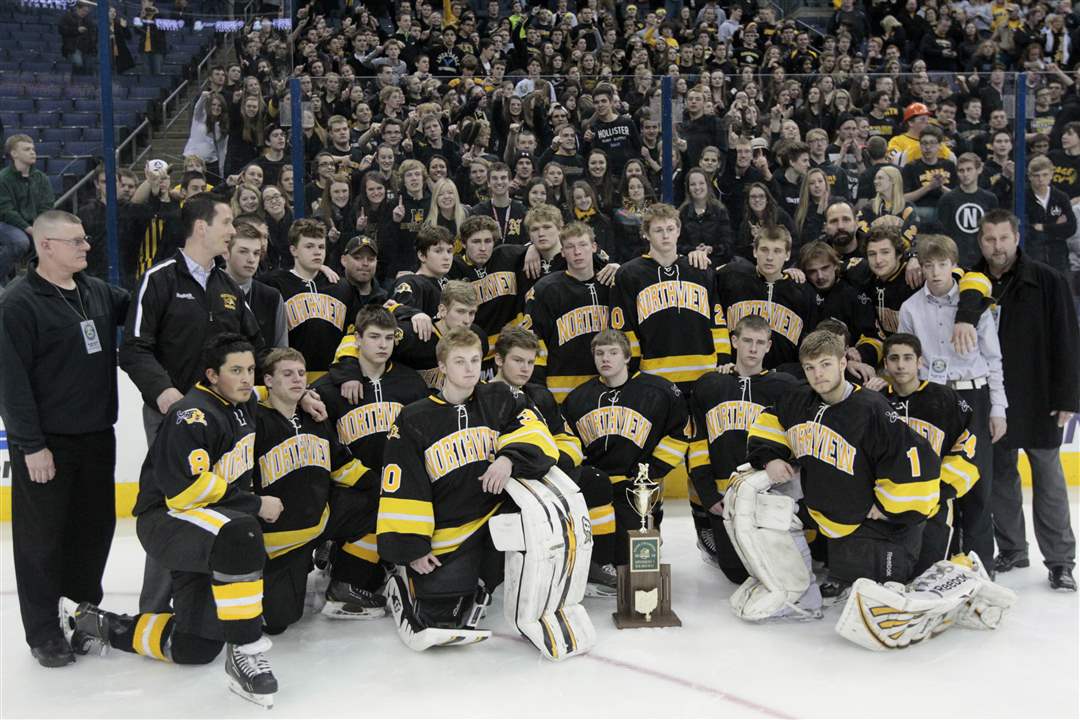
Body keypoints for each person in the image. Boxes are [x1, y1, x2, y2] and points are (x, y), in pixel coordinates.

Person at [61, 335, 282, 708]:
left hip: (203, 523)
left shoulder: (243, 404)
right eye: (236, 370)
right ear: (212, 375)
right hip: (167, 520)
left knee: (195, 646)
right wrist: (256, 504)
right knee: (243, 532)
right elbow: (184, 493)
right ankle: (245, 652)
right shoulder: (191, 415)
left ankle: (94, 623)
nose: (247, 378)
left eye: (250, 369)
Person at [120, 194, 263, 614]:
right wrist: (165, 393)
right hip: (172, 419)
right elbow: (134, 348)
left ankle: (204, 608)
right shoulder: (159, 278)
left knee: (223, 504)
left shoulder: (227, 286)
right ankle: (155, 610)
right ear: (202, 227)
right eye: (227, 222)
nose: (232, 230)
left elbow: (254, 344)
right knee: (173, 510)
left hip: (224, 422)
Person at [0, 211, 129, 667]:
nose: (86, 247)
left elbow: (145, 307)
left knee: (93, 533)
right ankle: (43, 633)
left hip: (97, 437)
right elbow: (11, 383)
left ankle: (81, 616)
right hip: (47, 444)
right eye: (75, 241)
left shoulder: (96, 291)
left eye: (85, 239)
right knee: (41, 542)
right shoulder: (18, 303)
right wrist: (31, 445)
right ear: (45, 245)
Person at [376, 327, 558, 640]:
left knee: (528, 523)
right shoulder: (414, 417)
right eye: (460, 362)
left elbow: (537, 433)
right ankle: (408, 577)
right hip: (449, 532)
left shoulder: (499, 398)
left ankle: (485, 580)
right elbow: (404, 486)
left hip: (493, 518)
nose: (470, 369)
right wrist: (413, 548)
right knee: (441, 618)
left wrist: (509, 458)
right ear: (443, 366)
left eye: (475, 360)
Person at [747, 330, 942, 596]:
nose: (818, 374)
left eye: (825, 364)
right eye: (810, 367)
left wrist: (889, 506)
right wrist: (770, 457)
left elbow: (916, 457)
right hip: (827, 517)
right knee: (762, 510)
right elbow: (769, 421)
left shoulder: (871, 408)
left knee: (879, 594)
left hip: (872, 524)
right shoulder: (798, 398)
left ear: (842, 363)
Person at [974, 210, 1078, 591]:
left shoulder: (1048, 280)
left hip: (1040, 397)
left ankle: (1061, 561)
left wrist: (1068, 396)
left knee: (1048, 479)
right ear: (980, 242)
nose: (997, 246)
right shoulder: (970, 280)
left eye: (1004, 238)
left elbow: (1067, 339)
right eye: (990, 239)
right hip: (993, 400)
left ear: (1017, 238)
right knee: (1001, 476)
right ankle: (1013, 549)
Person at [897, 234, 1006, 568]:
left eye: (942, 264)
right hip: (934, 400)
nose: (935, 272)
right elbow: (908, 362)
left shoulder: (974, 306)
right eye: (928, 265)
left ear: (954, 265)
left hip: (974, 394)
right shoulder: (911, 308)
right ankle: (939, 562)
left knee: (978, 484)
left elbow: (993, 359)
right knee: (939, 482)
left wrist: (998, 409)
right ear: (921, 267)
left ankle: (979, 564)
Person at [252, 347, 378, 630]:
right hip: (280, 542)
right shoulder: (253, 420)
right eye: (287, 374)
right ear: (268, 380)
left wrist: (383, 486)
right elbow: (232, 396)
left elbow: (340, 465)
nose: (297, 379)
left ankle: (345, 580)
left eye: (301, 373)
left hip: (321, 519)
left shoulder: (314, 417)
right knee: (279, 622)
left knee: (378, 501)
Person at [490, 326, 617, 596]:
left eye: (530, 362)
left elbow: (567, 440)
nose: (525, 369)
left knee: (597, 482)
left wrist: (552, 466)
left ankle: (595, 562)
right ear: (499, 359)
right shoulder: (483, 397)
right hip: (509, 481)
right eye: (517, 360)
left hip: (547, 471)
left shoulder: (540, 395)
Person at [562, 329, 689, 565]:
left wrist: (650, 471)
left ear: (627, 357)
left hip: (635, 487)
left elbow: (680, 433)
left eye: (613, 353)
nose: (605, 358)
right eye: (600, 353)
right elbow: (569, 441)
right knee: (597, 557)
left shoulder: (658, 391)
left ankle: (652, 522)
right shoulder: (578, 398)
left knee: (630, 560)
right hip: (596, 487)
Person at [687, 316, 799, 580]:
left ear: (769, 346)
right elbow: (697, 444)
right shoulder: (709, 385)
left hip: (769, 491)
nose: (753, 348)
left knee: (776, 570)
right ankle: (710, 540)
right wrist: (708, 494)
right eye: (747, 341)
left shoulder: (785, 387)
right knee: (736, 573)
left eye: (760, 342)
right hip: (725, 493)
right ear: (734, 341)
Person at [871, 334, 983, 574]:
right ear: (886, 364)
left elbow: (969, 444)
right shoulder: (877, 401)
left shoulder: (945, 398)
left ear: (919, 361)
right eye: (894, 358)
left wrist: (940, 491)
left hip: (934, 507)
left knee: (929, 574)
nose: (901, 365)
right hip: (887, 506)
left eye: (907, 358)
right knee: (892, 576)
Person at [610, 202, 730, 388]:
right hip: (653, 376)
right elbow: (625, 328)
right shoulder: (629, 274)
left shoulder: (699, 269)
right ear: (646, 234)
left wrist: (723, 360)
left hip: (704, 373)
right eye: (658, 230)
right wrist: (631, 370)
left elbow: (717, 320)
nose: (665, 235)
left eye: (670, 229)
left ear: (678, 231)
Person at [524, 222, 611, 402]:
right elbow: (533, 341)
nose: (577, 252)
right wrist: (538, 390)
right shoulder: (546, 289)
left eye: (583, 245)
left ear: (594, 247)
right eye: (570, 247)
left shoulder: (611, 283)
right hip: (562, 390)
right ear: (562, 252)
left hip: (608, 385)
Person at [262, 219, 354, 380]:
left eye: (321, 247)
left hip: (334, 377)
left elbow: (352, 335)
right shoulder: (273, 284)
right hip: (290, 377)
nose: (317, 252)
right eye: (309, 246)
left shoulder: (341, 286)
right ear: (294, 250)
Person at [716, 225, 817, 370]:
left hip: (783, 377)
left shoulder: (802, 291)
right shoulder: (731, 278)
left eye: (777, 251)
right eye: (764, 250)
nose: (769, 257)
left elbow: (810, 342)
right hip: (736, 374)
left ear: (787, 255)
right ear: (754, 251)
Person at [0, 135, 54, 286]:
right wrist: (29, 229)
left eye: (33, 149)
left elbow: (47, 206)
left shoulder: (41, 178)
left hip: (34, 225)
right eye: (27, 149)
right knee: (20, 242)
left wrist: (39, 226)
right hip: (6, 223)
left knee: (56, 241)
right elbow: (6, 211)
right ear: (14, 153)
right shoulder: (3, 178)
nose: (32, 152)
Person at [223, 222, 288, 348]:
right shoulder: (210, 289)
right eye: (243, 251)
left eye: (256, 253)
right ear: (226, 252)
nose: (251, 259)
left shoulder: (272, 297)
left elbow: (281, 350)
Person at [937, 153, 1000, 268]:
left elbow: (994, 231)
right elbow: (942, 235)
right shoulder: (947, 199)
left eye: (969, 169)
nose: (965, 174)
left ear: (979, 170)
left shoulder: (990, 199)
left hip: (983, 260)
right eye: (961, 170)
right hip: (955, 261)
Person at [1024, 154, 1077, 270]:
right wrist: (1056, 226)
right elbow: (1026, 229)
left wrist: (1044, 227)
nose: (1041, 179)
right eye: (1036, 175)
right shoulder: (1023, 197)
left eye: (1045, 175)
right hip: (1033, 256)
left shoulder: (1061, 197)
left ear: (1052, 174)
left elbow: (1071, 227)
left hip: (1059, 258)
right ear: (1029, 176)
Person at [389, 224, 454, 315]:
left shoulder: (447, 280)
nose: (447, 257)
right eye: (438, 251)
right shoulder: (411, 283)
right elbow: (400, 316)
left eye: (449, 251)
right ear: (422, 255)